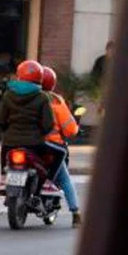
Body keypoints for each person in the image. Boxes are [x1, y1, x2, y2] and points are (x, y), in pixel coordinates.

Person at [0, 60, 63, 192]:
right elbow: (48, 124)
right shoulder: (42, 97)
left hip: (11, 142)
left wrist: (6, 131)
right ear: (40, 78)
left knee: (5, 148)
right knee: (61, 153)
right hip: (35, 143)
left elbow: (0, 119)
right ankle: (48, 183)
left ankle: (3, 179)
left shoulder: (8, 95)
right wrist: (42, 133)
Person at [41, 67, 82, 228]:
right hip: (52, 146)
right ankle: (76, 214)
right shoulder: (56, 101)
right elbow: (70, 129)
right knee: (65, 179)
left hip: (28, 144)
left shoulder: (27, 98)